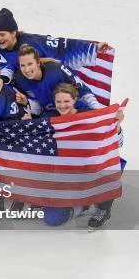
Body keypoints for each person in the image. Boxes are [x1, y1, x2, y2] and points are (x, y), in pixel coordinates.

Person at [41, 84, 123, 230]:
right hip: (64, 174)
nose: (62, 105)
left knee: (105, 169)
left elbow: (117, 143)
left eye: (66, 101)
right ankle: (82, 206)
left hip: (90, 169)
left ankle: (103, 208)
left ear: (74, 100)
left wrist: (116, 127)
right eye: (58, 102)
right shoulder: (49, 118)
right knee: (52, 218)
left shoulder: (90, 116)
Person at [0, 8, 108, 87]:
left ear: (13, 33)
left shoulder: (34, 42)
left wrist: (93, 48)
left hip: (43, 88)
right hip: (19, 89)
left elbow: (63, 45)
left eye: (2, 35)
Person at [12, 44, 103, 116]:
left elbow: (83, 91)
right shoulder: (20, 80)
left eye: (30, 64)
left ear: (38, 63)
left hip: (75, 112)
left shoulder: (57, 69)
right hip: (52, 118)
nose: (27, 69)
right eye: (22, 65)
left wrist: (99, 111)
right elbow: (39, 109)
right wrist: (26, 102)